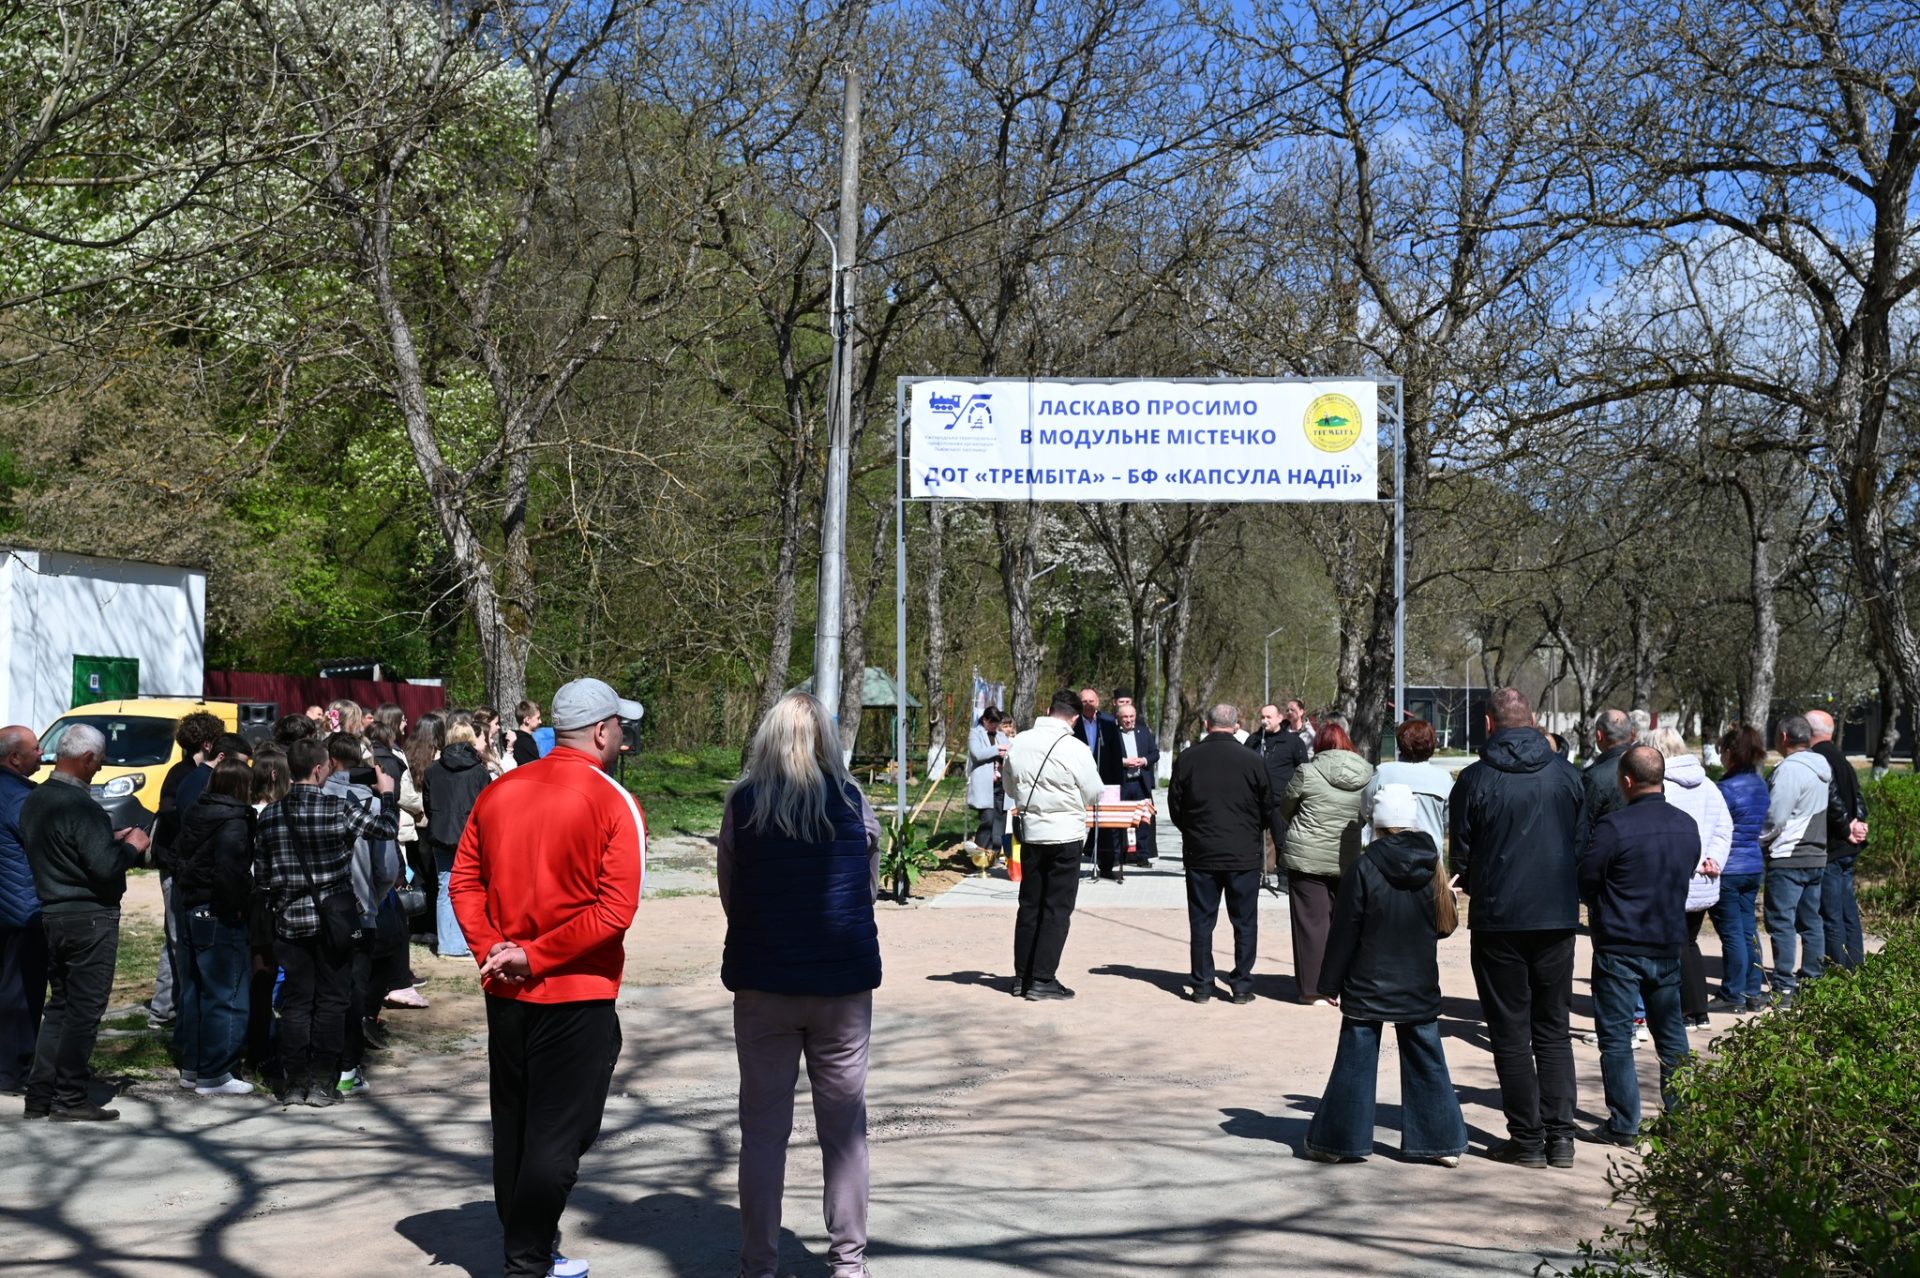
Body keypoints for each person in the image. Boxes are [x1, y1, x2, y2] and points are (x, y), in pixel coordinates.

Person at [448, 676, 645, 1278]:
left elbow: (462, 881)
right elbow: (615, 911)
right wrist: (525, 956)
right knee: (558, 1136)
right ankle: (527, 1260)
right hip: (573, 993)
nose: (625, 740)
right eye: (621, 729)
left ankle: (531, 1249)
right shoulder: (613, 800)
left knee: (516, 1123)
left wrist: (496, 950)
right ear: (603, 730)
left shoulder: (500, 790)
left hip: (507, 988)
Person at [718, 693, 879, 1278]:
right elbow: (868, 891)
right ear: (828, 742)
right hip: (840, 986)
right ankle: (848, 1262)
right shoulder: (853, 801)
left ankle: (759, 1266)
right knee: (844, 1131)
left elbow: (732, 898)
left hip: (764, 984)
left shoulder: (741, 806)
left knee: (762, 1132)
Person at [1449, 687, 1586, 1169]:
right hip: (1554, 916)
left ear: (1489, 725)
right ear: (1534, 720)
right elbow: (1581, 844)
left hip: (1499, 916)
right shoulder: (1567, 775)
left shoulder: (1473, 778)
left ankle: (1529, 1138)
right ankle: (1559, 1137)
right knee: (1552, 1029)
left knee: (1510, 1031)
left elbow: (1460, 855)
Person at [1305, 784, 1467, 1166]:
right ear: (1410, 820)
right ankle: (1441, 1143)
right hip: (1418, 980)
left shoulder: (1363, 866)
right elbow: (1442, 928)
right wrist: (1452, 901)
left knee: (1355, 1062)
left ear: (1375, 823)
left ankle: (1338, 1142)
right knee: (1427, 1060)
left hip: (1367, 980)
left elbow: (1345, 930)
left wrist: (1329, 982)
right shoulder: (1433, 864)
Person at [254, 736, 398, 1106]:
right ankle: (322, 1083)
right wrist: (386, 794)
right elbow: (386, 830)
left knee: (296, 1003)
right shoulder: (337, 809)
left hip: (289, 921)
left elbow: (263, 877)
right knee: (332, 1001)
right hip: (334, 920)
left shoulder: (270, 815)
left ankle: (294, 1083)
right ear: (320, 769)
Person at [19, 725, 152, 1121]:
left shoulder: (37, 799)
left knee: (59, 1008)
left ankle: (40, 1095)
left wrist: (105, 837)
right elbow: (105, 867)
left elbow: (69, 848)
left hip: (53, 914)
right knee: (82, 1011)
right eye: (99, 760)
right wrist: (131, 845)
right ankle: (70, 1097)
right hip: (89, 918)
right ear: (88, 759)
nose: (100, 768)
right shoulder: (81, 806)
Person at [1576, 746, 1698, 1147]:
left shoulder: (1614, 827)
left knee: (1616, 1038)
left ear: (1626, 781)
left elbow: (1587, 880)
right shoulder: (1686, 825)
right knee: (1672, 1036)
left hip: (1620, 946)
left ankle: (1625, 1122)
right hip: (1666, 941)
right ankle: (1680, 1117)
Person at [1005, 690, 1105, 1000]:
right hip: (1065, 836)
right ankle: (1043, 979)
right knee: (1056, 909)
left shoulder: (1018, 742)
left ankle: (1022, 976)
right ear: (1075, 718)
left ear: (1047, 709)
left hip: (1032, 834)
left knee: (1030, 905)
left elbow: (1009, 786)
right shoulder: (1074, 747)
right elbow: (1094, 792)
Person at [1167, 705, 1270, 1003]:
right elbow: (1267, 805)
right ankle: (1241, 985)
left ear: (1206, 724)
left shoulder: (1188, 759)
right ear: (1236, 726)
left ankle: (1201, 984)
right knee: (1245, 921)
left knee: (1201, 920)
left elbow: (1176, 806)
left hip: (1202, 852)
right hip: (1243, 854)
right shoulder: (1252, 760)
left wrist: (1192, 830)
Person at [171, 756, 259, 1096]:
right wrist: (237, 907)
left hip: (192, 906)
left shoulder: (198, 812)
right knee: (228, 991)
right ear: (242, 786)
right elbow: (230, 872)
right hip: (218, 911)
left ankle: (193, 1066)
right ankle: (216, 1071)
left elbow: (177, 855)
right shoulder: (234, 819)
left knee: (195, 990)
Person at [1280, 723, 1374, 1005]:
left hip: (1307, 856)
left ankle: (1313, 990)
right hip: (1347, 857)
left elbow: (1286, 807)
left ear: (1318, 744)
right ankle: (1342, 984)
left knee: (1311, 923)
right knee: (1344, 923)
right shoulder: (1368, 774)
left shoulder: (1307, 772)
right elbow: (1366, 814)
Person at [148, 710, 226, 1032]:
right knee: (181, 939)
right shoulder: (187, 778)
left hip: (175, 866)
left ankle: (164, 1008)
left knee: (175, 938)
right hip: (176, 868)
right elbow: (176, 818)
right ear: (208, 743)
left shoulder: (182, 773)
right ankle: (177, 1010)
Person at [1648, 727, 1731, 1030]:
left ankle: (1684, 1011)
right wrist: (1715, 859)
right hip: (1703, 875)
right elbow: (1724, 827)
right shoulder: (1708, 785)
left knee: (1674, 944)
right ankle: (1698, 1011)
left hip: (1673, 876)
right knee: (1689, 942)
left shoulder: (1660, 786)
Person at [1760, 713, 1830, 1007]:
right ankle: (1812, 982)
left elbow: (1776, 817)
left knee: (1782, 924)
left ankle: (1785, 987)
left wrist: (1758, 839)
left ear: (1784, 737)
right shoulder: (1821, 766)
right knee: (1811, 922)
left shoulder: (1789, 770)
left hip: (1788, 855)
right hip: (1816, 855)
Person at [1710, 724, 1770, 1012]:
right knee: (1749, 930)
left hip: (1730, 867)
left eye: (1722, 750)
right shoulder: (1760, 784)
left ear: (1731, 752)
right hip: (1752, 865)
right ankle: (1752, 990)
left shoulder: (1724, 789)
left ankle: (1732, 993)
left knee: (1732, 933)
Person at [0, 725, 46, 1096]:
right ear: (15, 757)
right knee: (21, 990)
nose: (42, 752)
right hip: (22, 908)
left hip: (9, 903)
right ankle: (13, 1071)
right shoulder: (18, 797)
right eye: (35, 748)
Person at [425, 719, 490, 958]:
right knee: (469, 887)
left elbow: (428, 802)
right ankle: (464, 940)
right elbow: (487, 805)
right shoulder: (479, 771)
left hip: (441, 833)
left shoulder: (433, 769)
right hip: (469, 835)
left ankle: (446, 943)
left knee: (445, 886)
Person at [1808, 710, 1867, 971]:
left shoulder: (1819, 758)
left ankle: (1837, 972)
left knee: (1831, 915)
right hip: (1848, 846)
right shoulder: (1842, 757)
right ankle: (1856, 966)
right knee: (1848, 913)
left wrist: (1845, 828)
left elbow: (1833, 800)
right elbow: (1859, 796)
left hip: (1833, 847)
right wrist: (1859, 825)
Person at [1245, 703, 1310, 891]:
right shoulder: (1254, 741)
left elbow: (1303, 770)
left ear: (1280, 718)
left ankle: (1284, 879)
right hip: (1255, 801)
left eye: (1269, 717)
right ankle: (1252, 875)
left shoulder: (1292, 743)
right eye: (1262, 717)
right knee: (1252, 841)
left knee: (1281, 840)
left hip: (1279, 801)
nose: (1265, 721)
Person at [1360, 719, 1452, 849]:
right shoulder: (1443, 778)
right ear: (1432, 744)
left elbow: (1366, 808)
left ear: (1400, 742)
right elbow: (1447, 820)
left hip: (1385, 854)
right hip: (1429, 857)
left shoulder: (1383, 773)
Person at [1072, 687, 1126, 880]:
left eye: (1091, 701)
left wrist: (1119, 784)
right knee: (1077, 821)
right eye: (1084, 701)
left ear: (1098, 703)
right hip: (1077, 781)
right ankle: (1073, 865)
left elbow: (1117, 754)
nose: (1088, 705)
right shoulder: (1073, 723)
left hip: (1105, 781)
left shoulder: (1108, 724)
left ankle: (1106, 866)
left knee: (1106, 826)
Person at [1114, 701, 1160, 865]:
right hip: (1122, 783)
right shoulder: (1113, 733)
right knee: (1120, 821)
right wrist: (1124, 762)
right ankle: (1119, 855)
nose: (1128, 720)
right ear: (1119, 718)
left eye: (1131, 716)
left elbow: (1155, 753)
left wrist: (1144, 760)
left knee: (1143, 820)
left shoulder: (1143, 731)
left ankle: (1142, 856)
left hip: (1141, 783)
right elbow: (1106, 757)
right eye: (1125, 717)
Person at [1583, 709, 1635, 831]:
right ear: (1632, 734)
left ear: (1599, 735)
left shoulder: (1594, 777)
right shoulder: (1649, 765)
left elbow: (1584, 828)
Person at [966, 708, 1008, 858]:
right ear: (984, 719)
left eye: (997, 724)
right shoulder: (974, 734)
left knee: (999, 820)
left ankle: (994, 854)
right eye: (992, 723)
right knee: (987, 819)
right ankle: (979, 856)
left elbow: (1009, 751)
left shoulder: (1001, 735)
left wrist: (1005, 754)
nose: (994, 727)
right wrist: (997, 750)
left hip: (1000, 784)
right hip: (984, 784)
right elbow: (977, 754)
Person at [511, 699, 543, 768]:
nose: (540, 722)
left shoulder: (517, 740)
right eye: (538, 718)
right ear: (527, 720)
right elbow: (534, 769)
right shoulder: (524, 743)